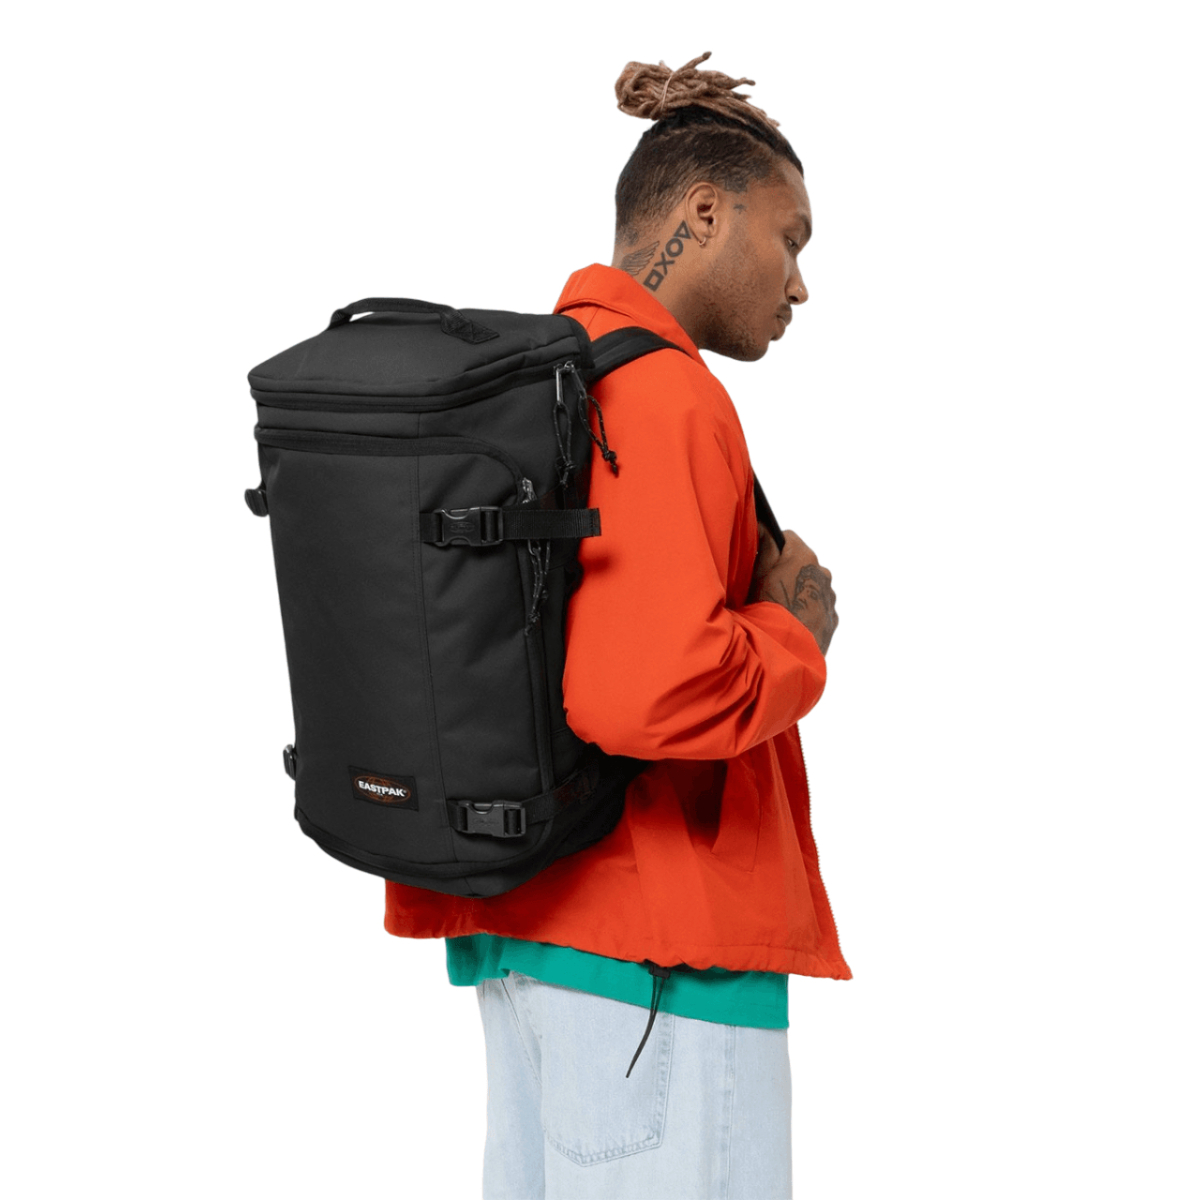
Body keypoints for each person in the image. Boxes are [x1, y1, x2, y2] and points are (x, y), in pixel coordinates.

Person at [384, 52, 851, 1200]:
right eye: (791, 238)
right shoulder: (667, 393)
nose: (800, 286)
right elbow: (645, 694)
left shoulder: (543, 381)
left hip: (530, 937)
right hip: (659, 969)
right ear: (705, 212)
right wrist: (796, 636)